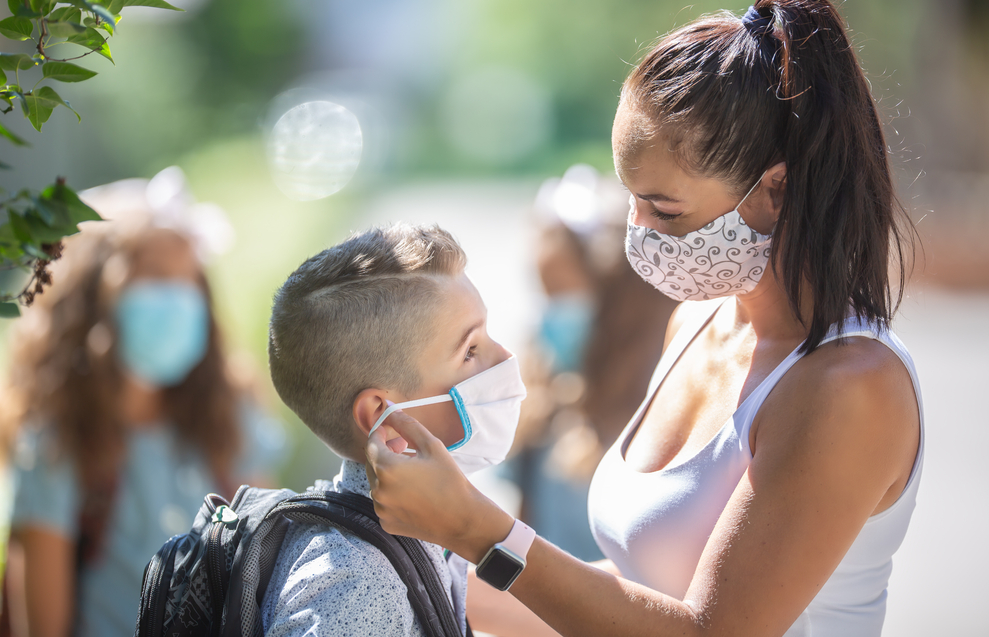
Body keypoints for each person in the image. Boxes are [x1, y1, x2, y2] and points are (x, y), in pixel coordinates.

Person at [364, 2, 923, 636]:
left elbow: (709, 630)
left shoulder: (850, 385)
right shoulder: (692, 323)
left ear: (775, 191)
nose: (637, 235)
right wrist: (415, 575)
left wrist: (474, 526)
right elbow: (635, 597)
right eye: (630, 198)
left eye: (664, 210)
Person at [1, 169, 285, 637]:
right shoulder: (55, 438)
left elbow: (265, 568)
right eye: (153, 277)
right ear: (94, 297)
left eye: (187, 281)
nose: (175, 299)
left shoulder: (228, 414)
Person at [262, 223, 524, 636]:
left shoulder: (418, 540)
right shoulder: (358, 586)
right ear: (383, 413)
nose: (506, 356)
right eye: (470, 350)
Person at [506, 165, 677, 561]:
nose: (549, 315)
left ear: (619, 307)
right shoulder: (540, 409)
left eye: (561, 293)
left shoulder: (664, 420)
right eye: (543, 293)